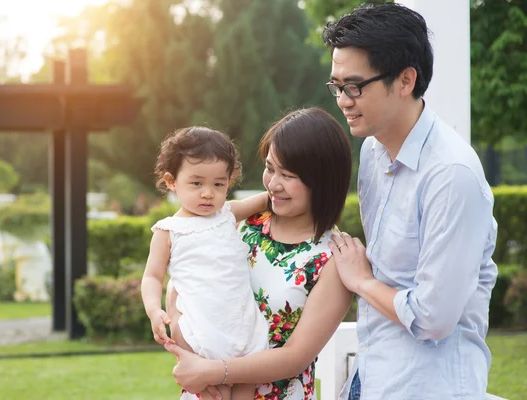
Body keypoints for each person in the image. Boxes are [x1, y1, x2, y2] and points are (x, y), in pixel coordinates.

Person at [322, 3, 498, 399]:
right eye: (336, 86)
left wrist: (362, 280)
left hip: (429, 387)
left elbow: (433, 318)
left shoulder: (451, 176)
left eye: (354, 86)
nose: (343, 101)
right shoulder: (372, 152)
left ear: (405, 80)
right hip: (370, 376)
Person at [164, 107, 353, 400]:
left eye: (288, 175)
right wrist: (179, 330)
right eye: (270, 168)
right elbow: (183, 276)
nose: (273, 184)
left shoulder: (332, 257)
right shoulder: (241, 223)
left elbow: (295, 357)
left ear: (323, 179)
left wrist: (212, 371)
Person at [141, 126, 271, 400]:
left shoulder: (227, 214)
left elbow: (266, 199)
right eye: (197, 183)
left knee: (247, 386)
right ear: (171, 181)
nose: (208, 193)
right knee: (216, 393)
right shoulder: (169, 230)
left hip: (242, 322)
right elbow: (152, 276)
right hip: (204, 328)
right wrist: (154, 310)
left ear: (229, 182)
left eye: (218, 184)